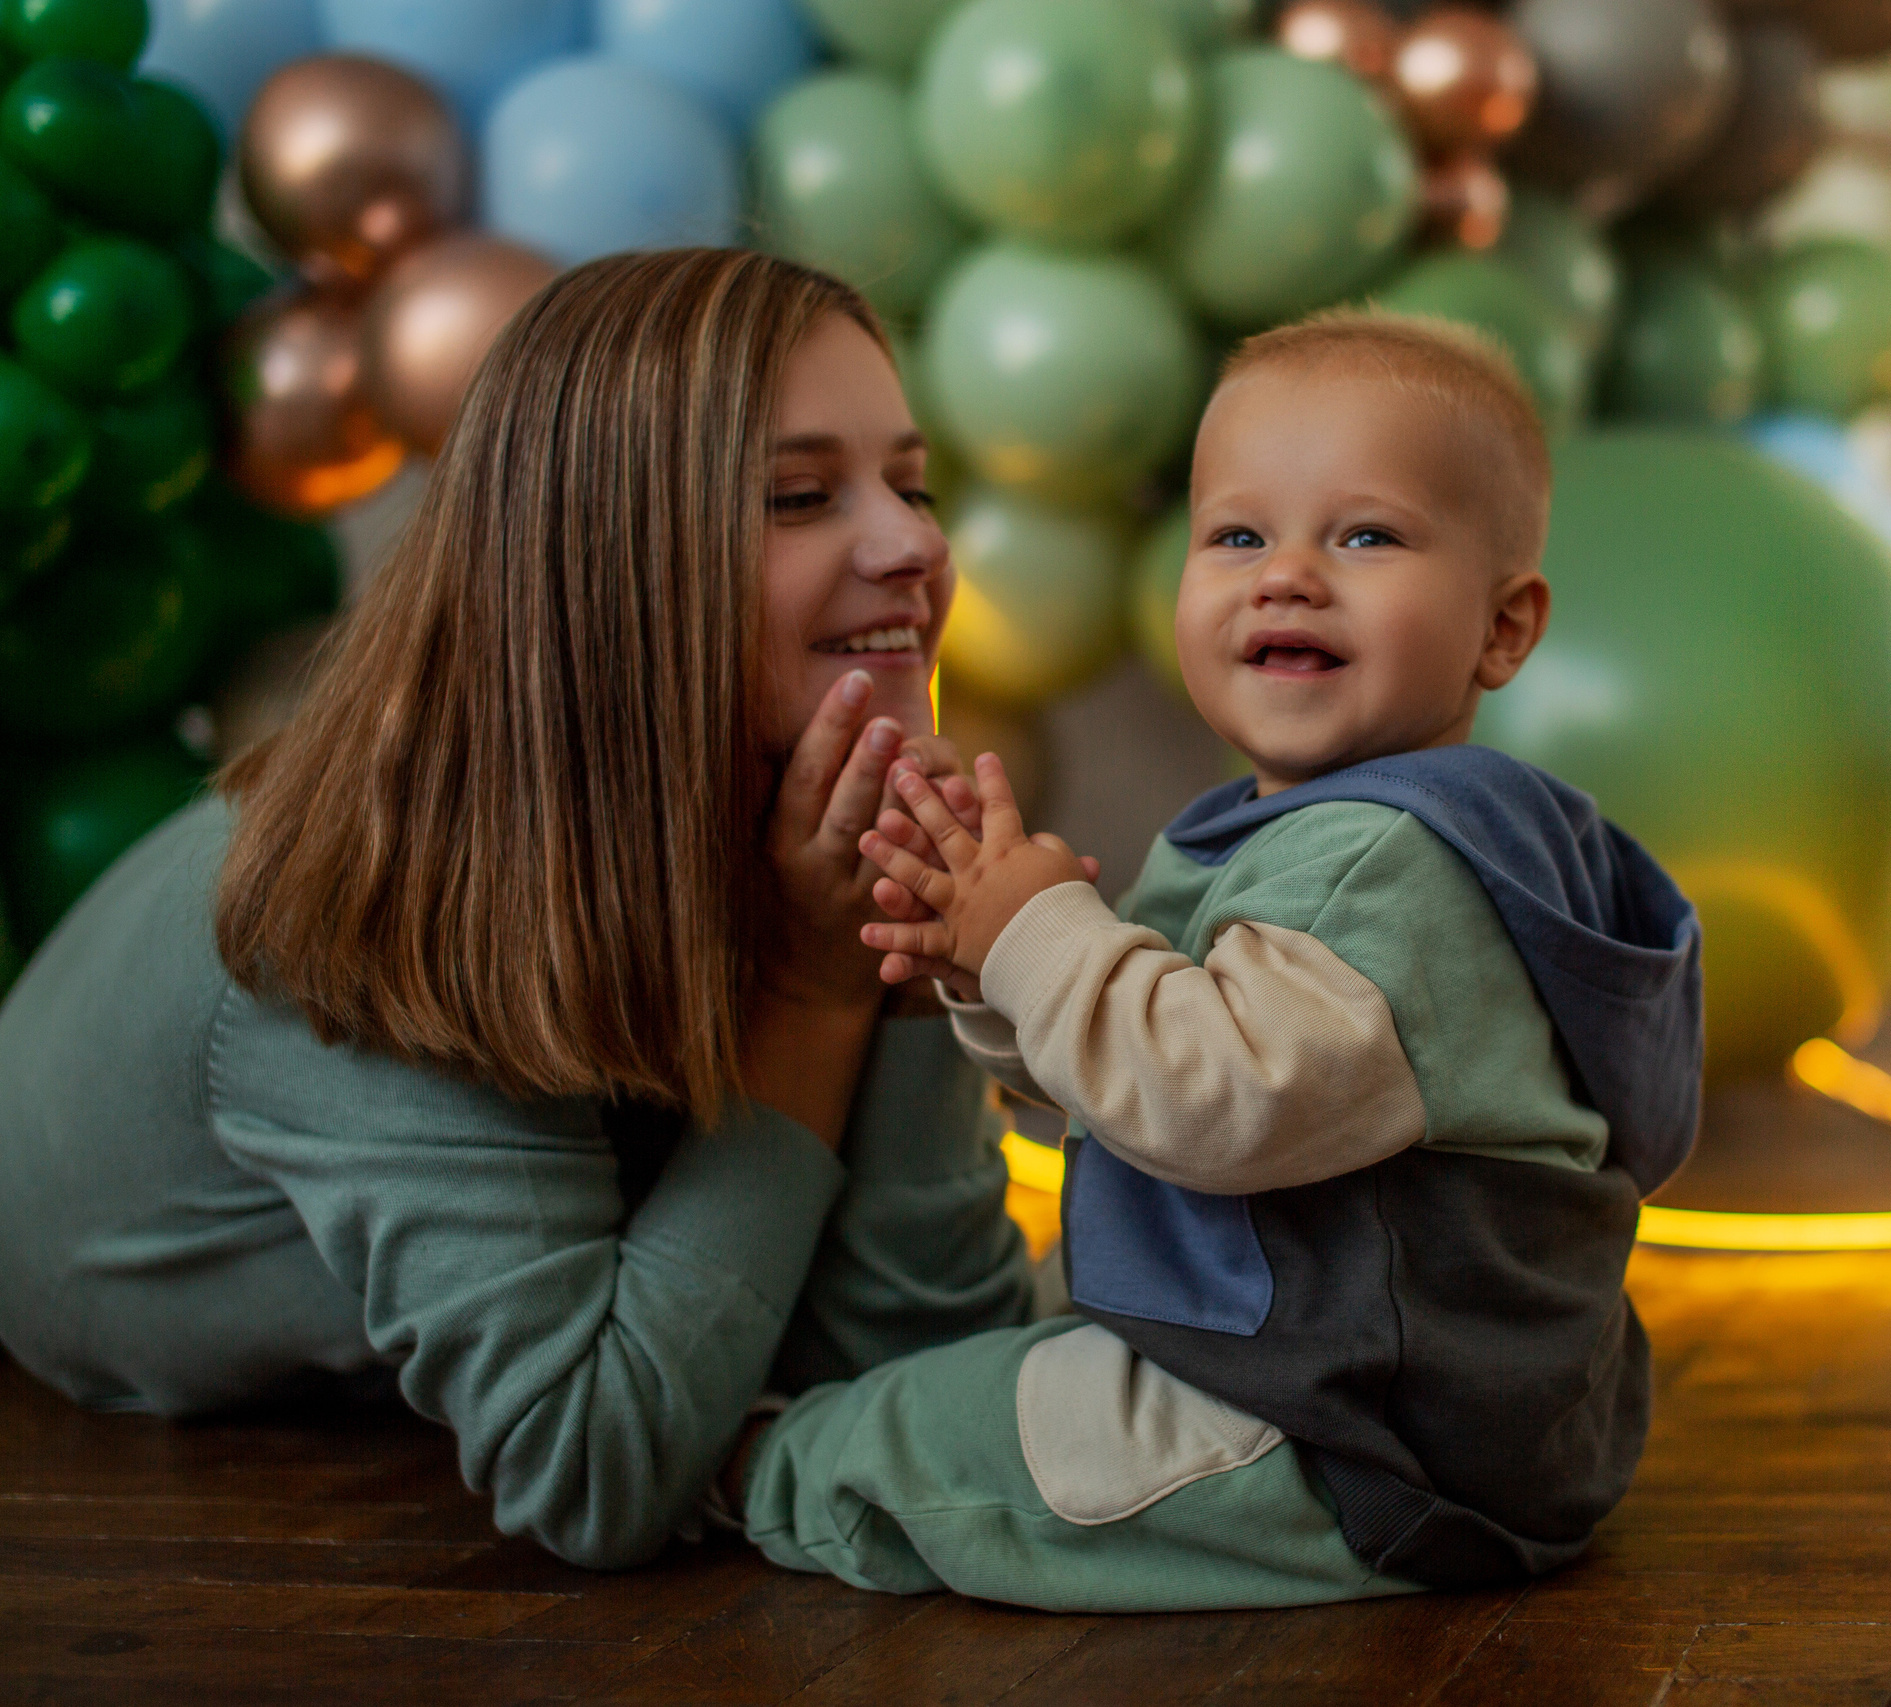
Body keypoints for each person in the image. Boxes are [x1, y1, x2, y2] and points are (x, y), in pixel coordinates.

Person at [0, 249, 1052, 1570]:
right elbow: (590, 1474)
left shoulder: (788, 800)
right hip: (125, 1421)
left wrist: (901, 949)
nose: (915, 546)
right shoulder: (380, 895)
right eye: (799, 496)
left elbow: (939, 1369)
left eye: (912, 483)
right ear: (607, 566)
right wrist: (811, 998)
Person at [731, 312, 1705, 1612]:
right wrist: (984, 964)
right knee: (1002, 1376)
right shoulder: (1329, 835)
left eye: (1366, 536)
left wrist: (1037, 933)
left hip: (1346, 1442)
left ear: (1502, 628)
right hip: (1391, 1407)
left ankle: (754, 1469)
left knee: (924, 1432)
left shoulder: (1387, 864)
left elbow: (1214, 1095)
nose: (1287, 575)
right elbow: (1134, 1069)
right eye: (1238, 535)